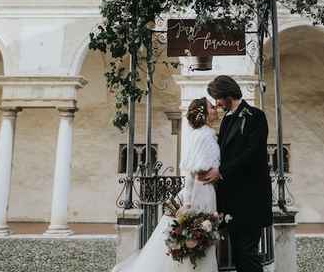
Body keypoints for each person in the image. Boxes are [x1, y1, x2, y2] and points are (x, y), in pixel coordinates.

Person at [112, 97, 220, 272]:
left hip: (196, 191)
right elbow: (200, 170)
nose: (216, 109)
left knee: (197, 239)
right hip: (203, 193)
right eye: (212, 107)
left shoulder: (196, 134)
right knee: (202, 237)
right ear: (205, 114)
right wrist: (217, 173)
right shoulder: (206, 135)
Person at [199, 75, 273, 272]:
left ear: (227, 94)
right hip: (232, 200)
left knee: (248, 252)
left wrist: (221, 172)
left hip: (251, 198)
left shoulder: (255, 116)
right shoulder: (226, 120)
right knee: (239, 254)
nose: (217, 103)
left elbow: (252, 153)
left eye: (218, 98)